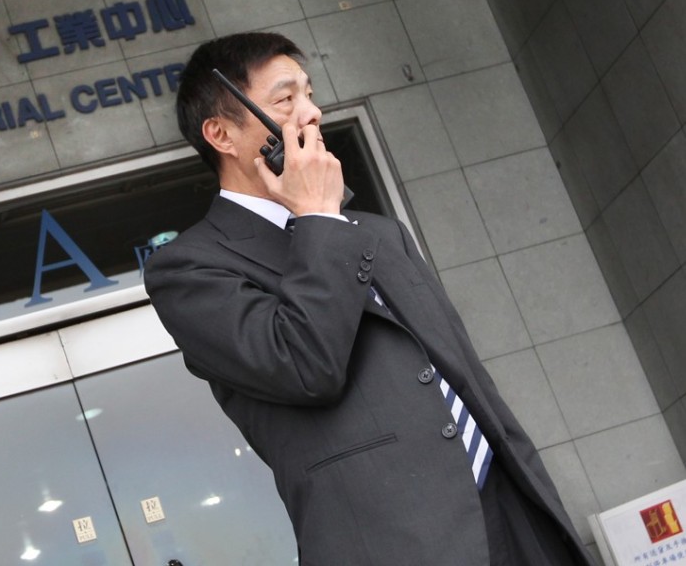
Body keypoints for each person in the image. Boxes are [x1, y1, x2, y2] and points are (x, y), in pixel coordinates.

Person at [143, 32, 596, 565]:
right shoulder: (189, 268)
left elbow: (464, 377)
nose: (312, 113)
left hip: (515, 517)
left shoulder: (379, 233)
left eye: (310, 94)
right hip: (395, 544)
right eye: (285, 100)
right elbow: (305, 367)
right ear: (221, 133)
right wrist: (317, 217)